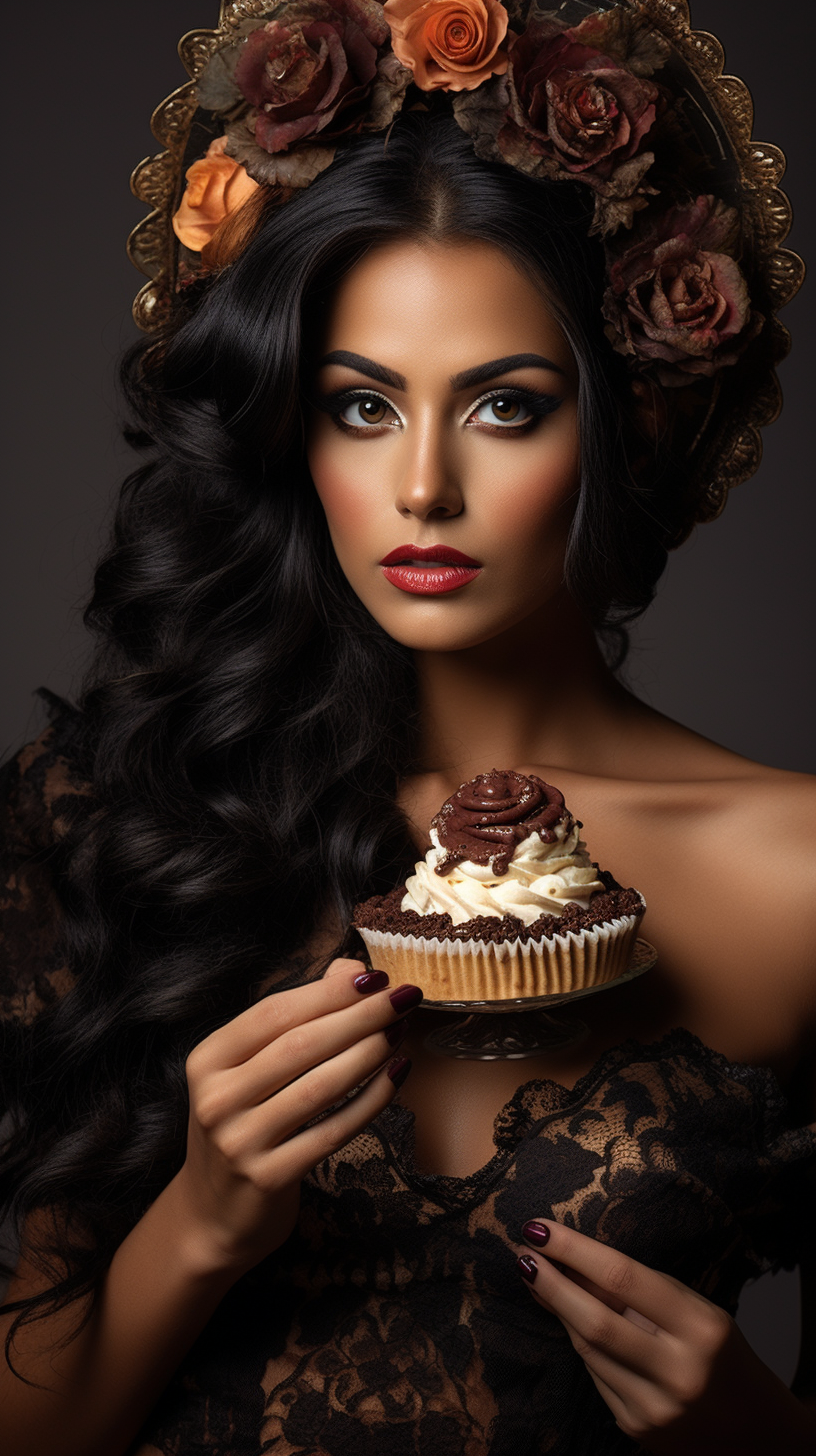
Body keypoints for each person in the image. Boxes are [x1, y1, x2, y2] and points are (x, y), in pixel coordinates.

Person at [1, 2, 813, 1453]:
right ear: (289, 432)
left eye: (505, 407)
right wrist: (197, 1224)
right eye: (361, 408)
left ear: (623, 423)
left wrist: (756, 1434)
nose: (423, 486)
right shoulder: (123, 818)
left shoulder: (796, 874)